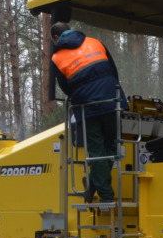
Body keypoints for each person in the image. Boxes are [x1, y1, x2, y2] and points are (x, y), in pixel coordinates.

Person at [50, 22, 128, 202]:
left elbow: (65, 87)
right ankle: (95, 183)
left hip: (87, 107)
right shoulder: (95, 42)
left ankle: (104, 195)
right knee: (113, 146)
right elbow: (113, 71)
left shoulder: (57, 58)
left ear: (55, 37)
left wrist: (83, 95)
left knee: (96, 150)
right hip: (111, 100)